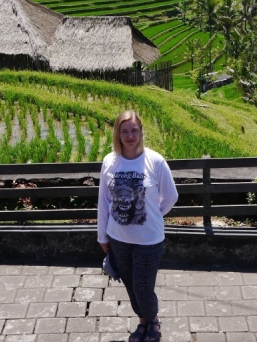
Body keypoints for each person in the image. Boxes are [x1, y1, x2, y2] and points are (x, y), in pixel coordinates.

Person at [97, 110, 178, 342]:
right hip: (118, 237)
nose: (130, 135)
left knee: (143, 287)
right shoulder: (109, 162)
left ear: (141, 132)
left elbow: (171, 196)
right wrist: (102, 236)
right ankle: (143, 322)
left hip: (148, 239)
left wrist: (154, 215)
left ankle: (153, 319)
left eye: (134, 130)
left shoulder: (155, 161)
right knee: (131, 286)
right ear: (118, 134)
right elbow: (103, 201)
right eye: (125, 131)